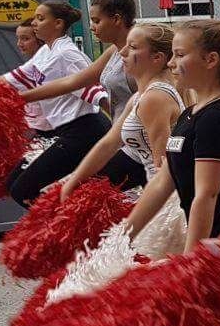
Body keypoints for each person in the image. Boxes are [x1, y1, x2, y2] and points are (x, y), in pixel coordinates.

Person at [124, 18, 220, 254]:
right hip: (211, 246)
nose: (171, 63)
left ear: (211, 60)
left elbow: (206, 196)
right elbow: (162, 182)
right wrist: (121, 237)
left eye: (180, 55)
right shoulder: (190, 114)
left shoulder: (218, 117)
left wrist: (190, 261)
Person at [0, 2, 120, 205]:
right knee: (15, 184)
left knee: (23, 190)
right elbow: (12, 79)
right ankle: (67, 220)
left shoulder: (66, 53)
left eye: (40, 18)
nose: (34, 23)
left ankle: (68, 221)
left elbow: (95, 91)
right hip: (65, 132)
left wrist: (122, 125)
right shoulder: (45, 52)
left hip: (85, 131)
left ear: (58, 24)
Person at [56, 24, 183, 198]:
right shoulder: (139, 97)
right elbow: (108, 144)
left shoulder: (155, 98)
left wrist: (150, 209)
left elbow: (163, 166)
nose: (122, 52)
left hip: (167, 195)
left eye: (133, 47)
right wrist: (72, 181)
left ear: (157, 58)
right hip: (156, 189)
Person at [19, 0, 141, 124]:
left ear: (116, 19)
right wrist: (19, 98)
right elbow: (72, 82)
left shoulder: (141, 51)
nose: (91, 27)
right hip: (123, 130)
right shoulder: (114, 50)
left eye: (96, 21)